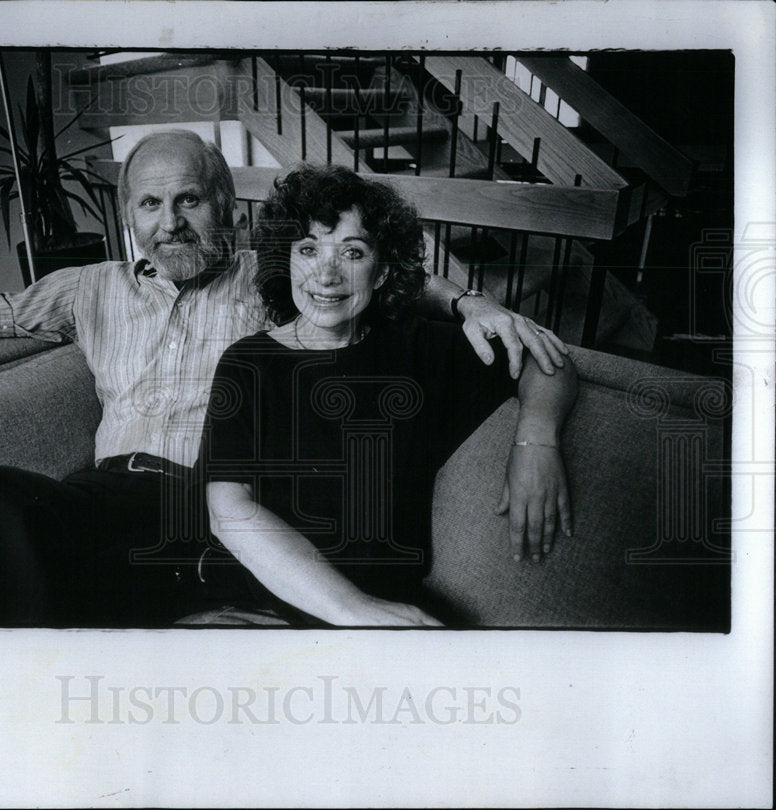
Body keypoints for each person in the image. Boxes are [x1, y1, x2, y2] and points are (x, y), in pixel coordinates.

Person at [0, 129, 569, 628]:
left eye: (189, 201)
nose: (170, 223)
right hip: (104, 496)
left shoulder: (274, 274)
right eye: (150, 205)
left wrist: (471, 302)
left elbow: (371, 272)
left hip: (207, 502)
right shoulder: (87, 288)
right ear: (129, 217)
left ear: (226, 209)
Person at [200, 164, 577, 627]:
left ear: (381, 272)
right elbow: (229, 510)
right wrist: (356, 610)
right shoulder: (249, 363)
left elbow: (545, 358)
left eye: (352, 252)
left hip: (393, 616)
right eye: (308, 249)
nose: (326, 274)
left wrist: (536, 442)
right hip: (261, 610)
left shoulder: (418, 348)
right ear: (285, 260)